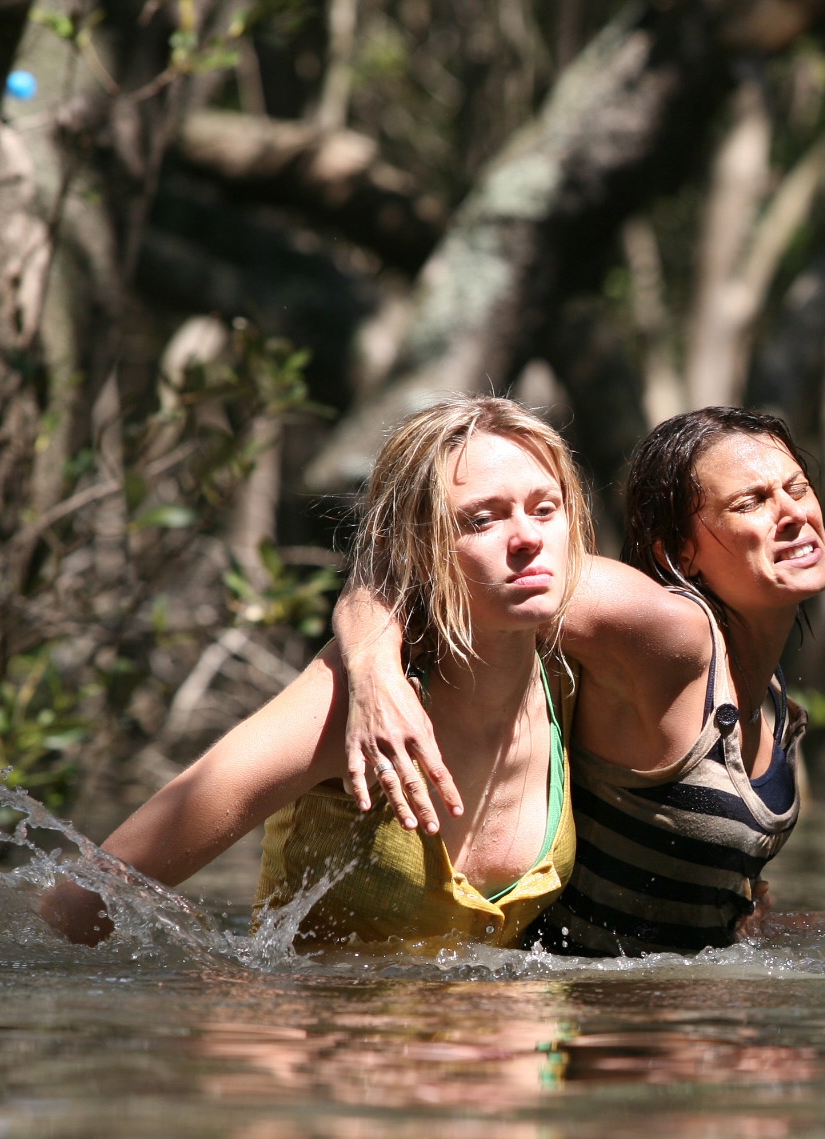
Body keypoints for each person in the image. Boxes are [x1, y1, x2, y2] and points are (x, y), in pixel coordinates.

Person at [41, 395, 583, 953]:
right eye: (480, 520)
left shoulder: (580, 667)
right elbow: (79, 902)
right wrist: (233, 1015)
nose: (528, 538)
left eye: (545, 509)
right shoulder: (340, 706)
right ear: (416, 546)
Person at [328, 406, 825, 956]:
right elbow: (414, 569)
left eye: (797, 488)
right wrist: (372, 669)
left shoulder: (775, 700)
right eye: (750, 502)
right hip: (567, 1015)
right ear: (679, 554)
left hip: (677, 1018)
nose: (792, 514)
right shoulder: (665, 632)